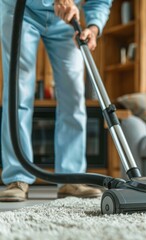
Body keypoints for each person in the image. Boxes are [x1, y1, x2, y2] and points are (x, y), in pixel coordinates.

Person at [0, 0, 112, 202]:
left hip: (65, 20)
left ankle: (71, 178)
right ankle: (17, 178)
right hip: (21, 9)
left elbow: (100, 2)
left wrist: (93, 28)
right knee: (19, 90)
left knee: (74, 94)